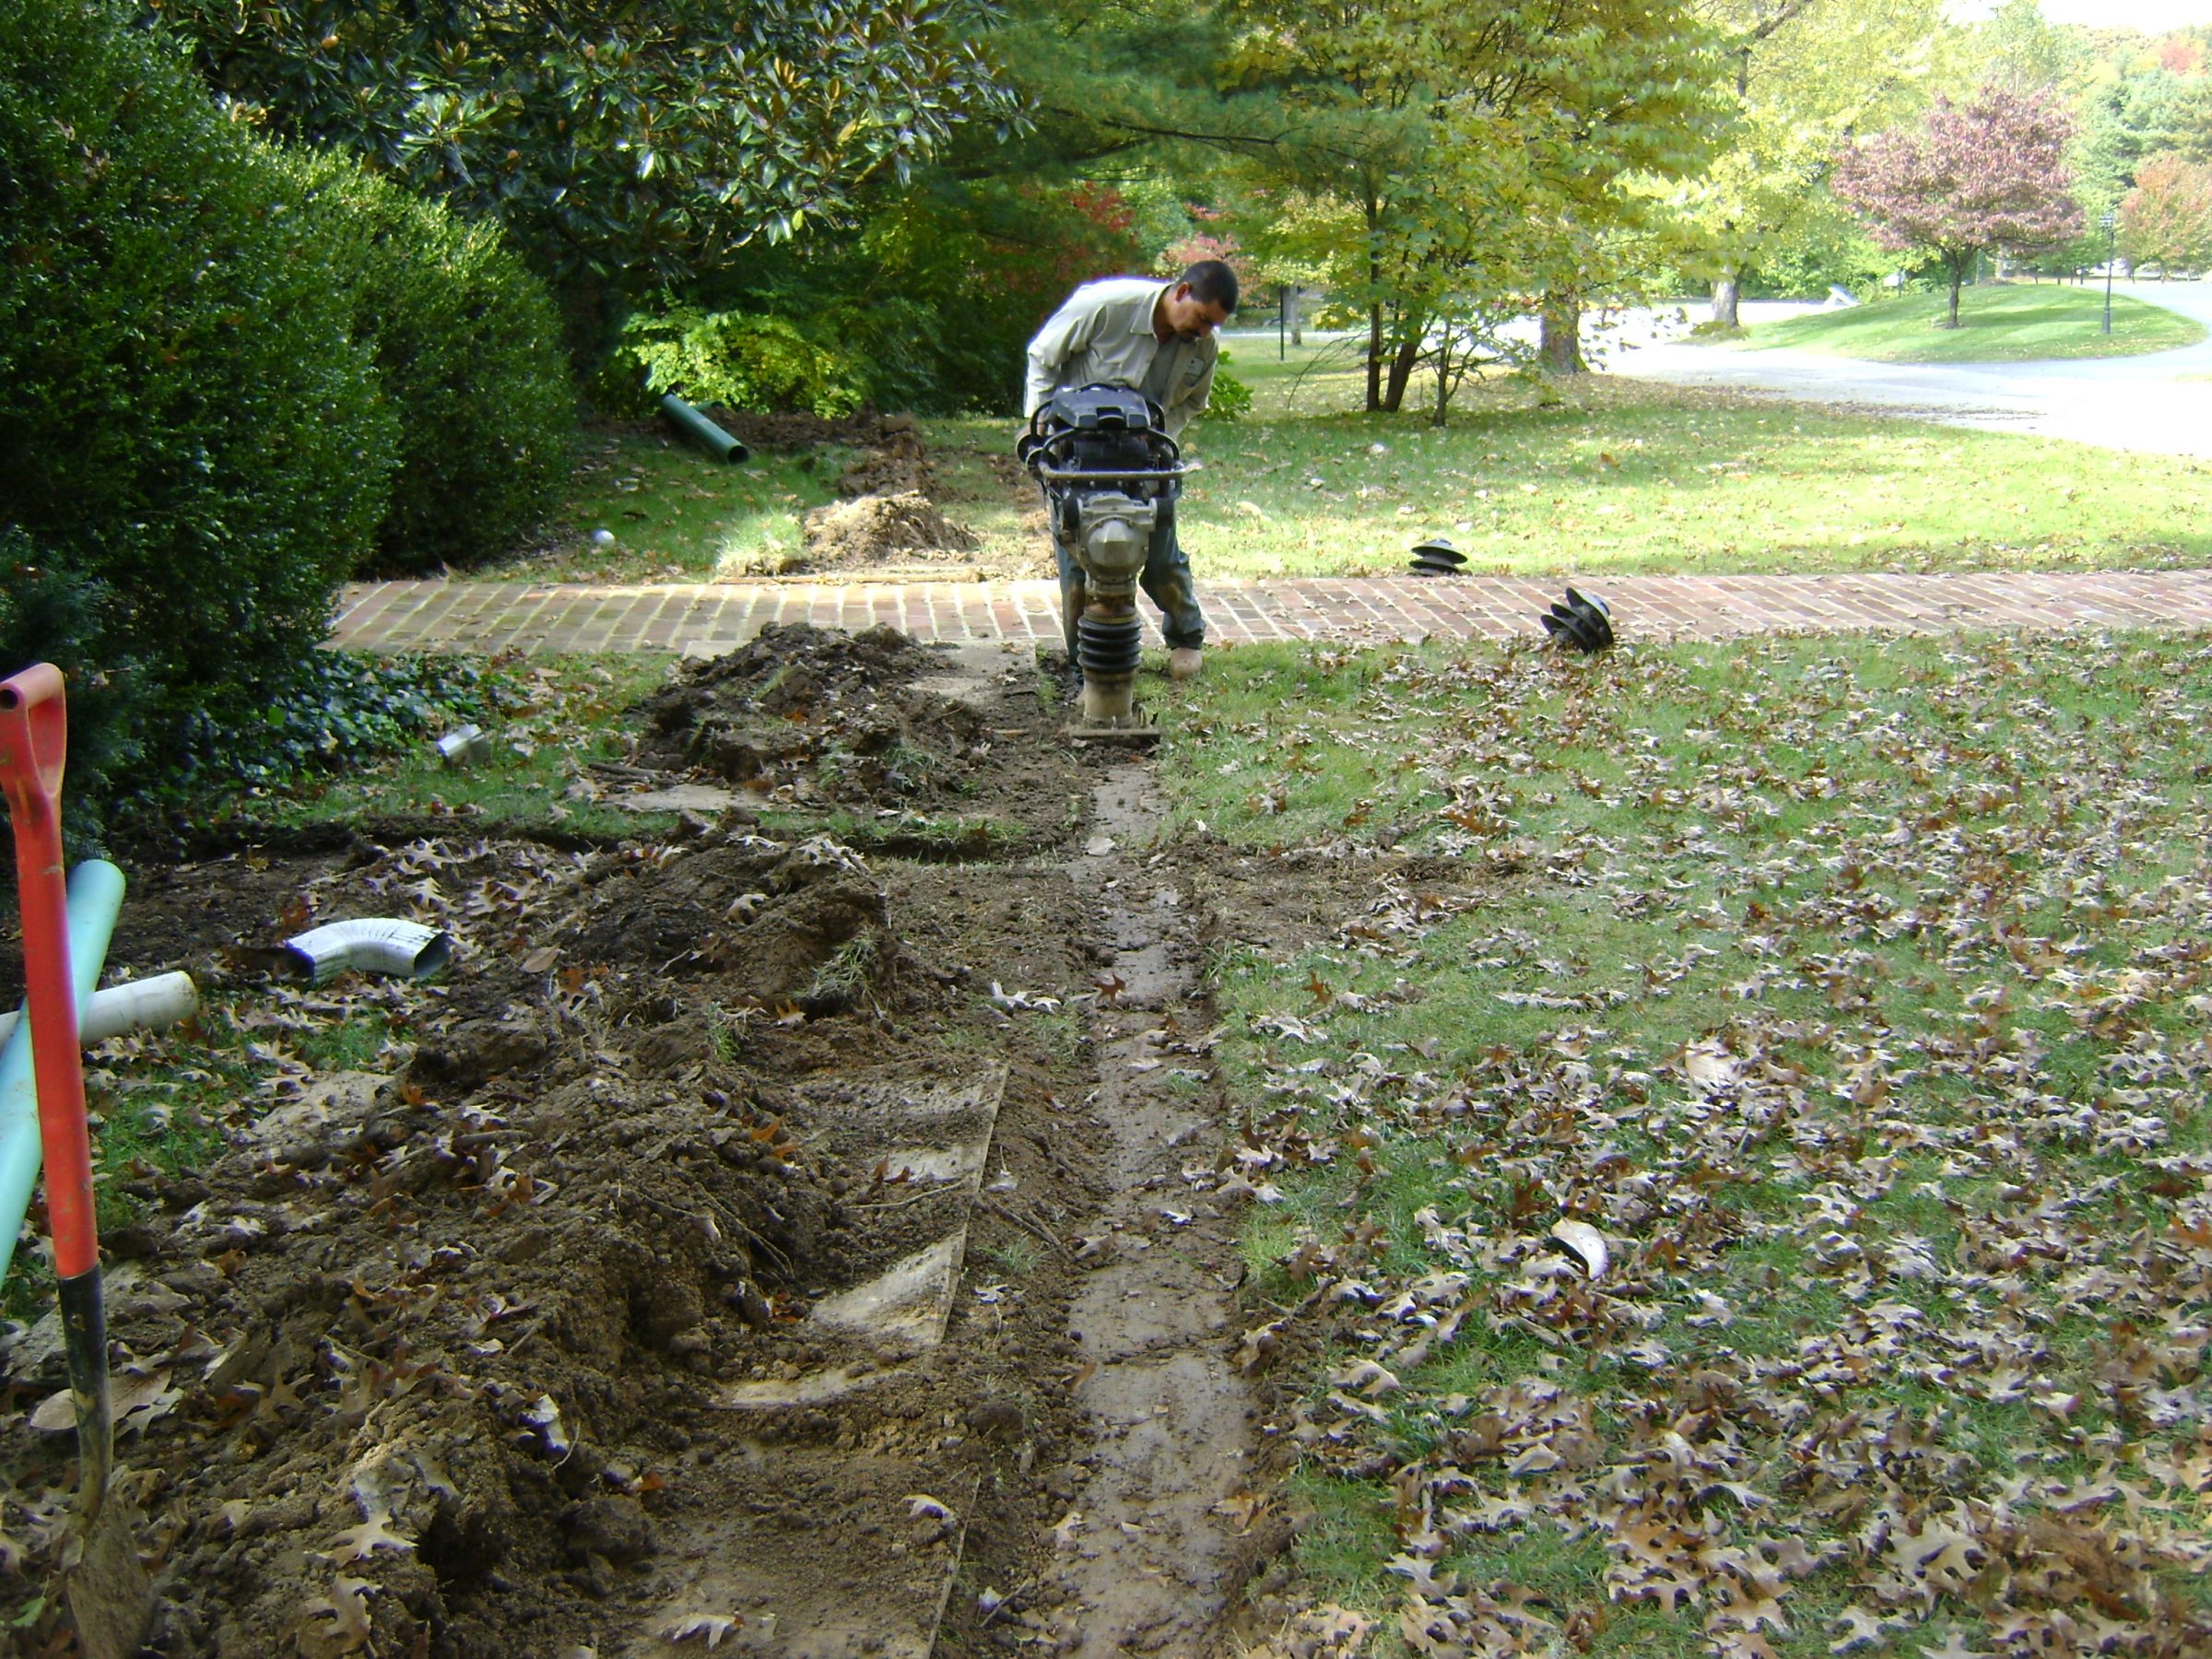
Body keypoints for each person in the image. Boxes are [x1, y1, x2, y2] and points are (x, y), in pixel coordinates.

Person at [1024, 260, 1238, 680]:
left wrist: (1159, 435)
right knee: (1080, 566)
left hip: (1144, 460)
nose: (1204, 332)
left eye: (1213, 325)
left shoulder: (1201, 346)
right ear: (1182, 292)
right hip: (1079, 457)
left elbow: (1193, 402)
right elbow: (1043, 358)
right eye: (1201, 318)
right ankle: (1084, 663)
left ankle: (1186, 637)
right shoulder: (1106, 306)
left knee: (1161, 558)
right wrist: (1039, 427)